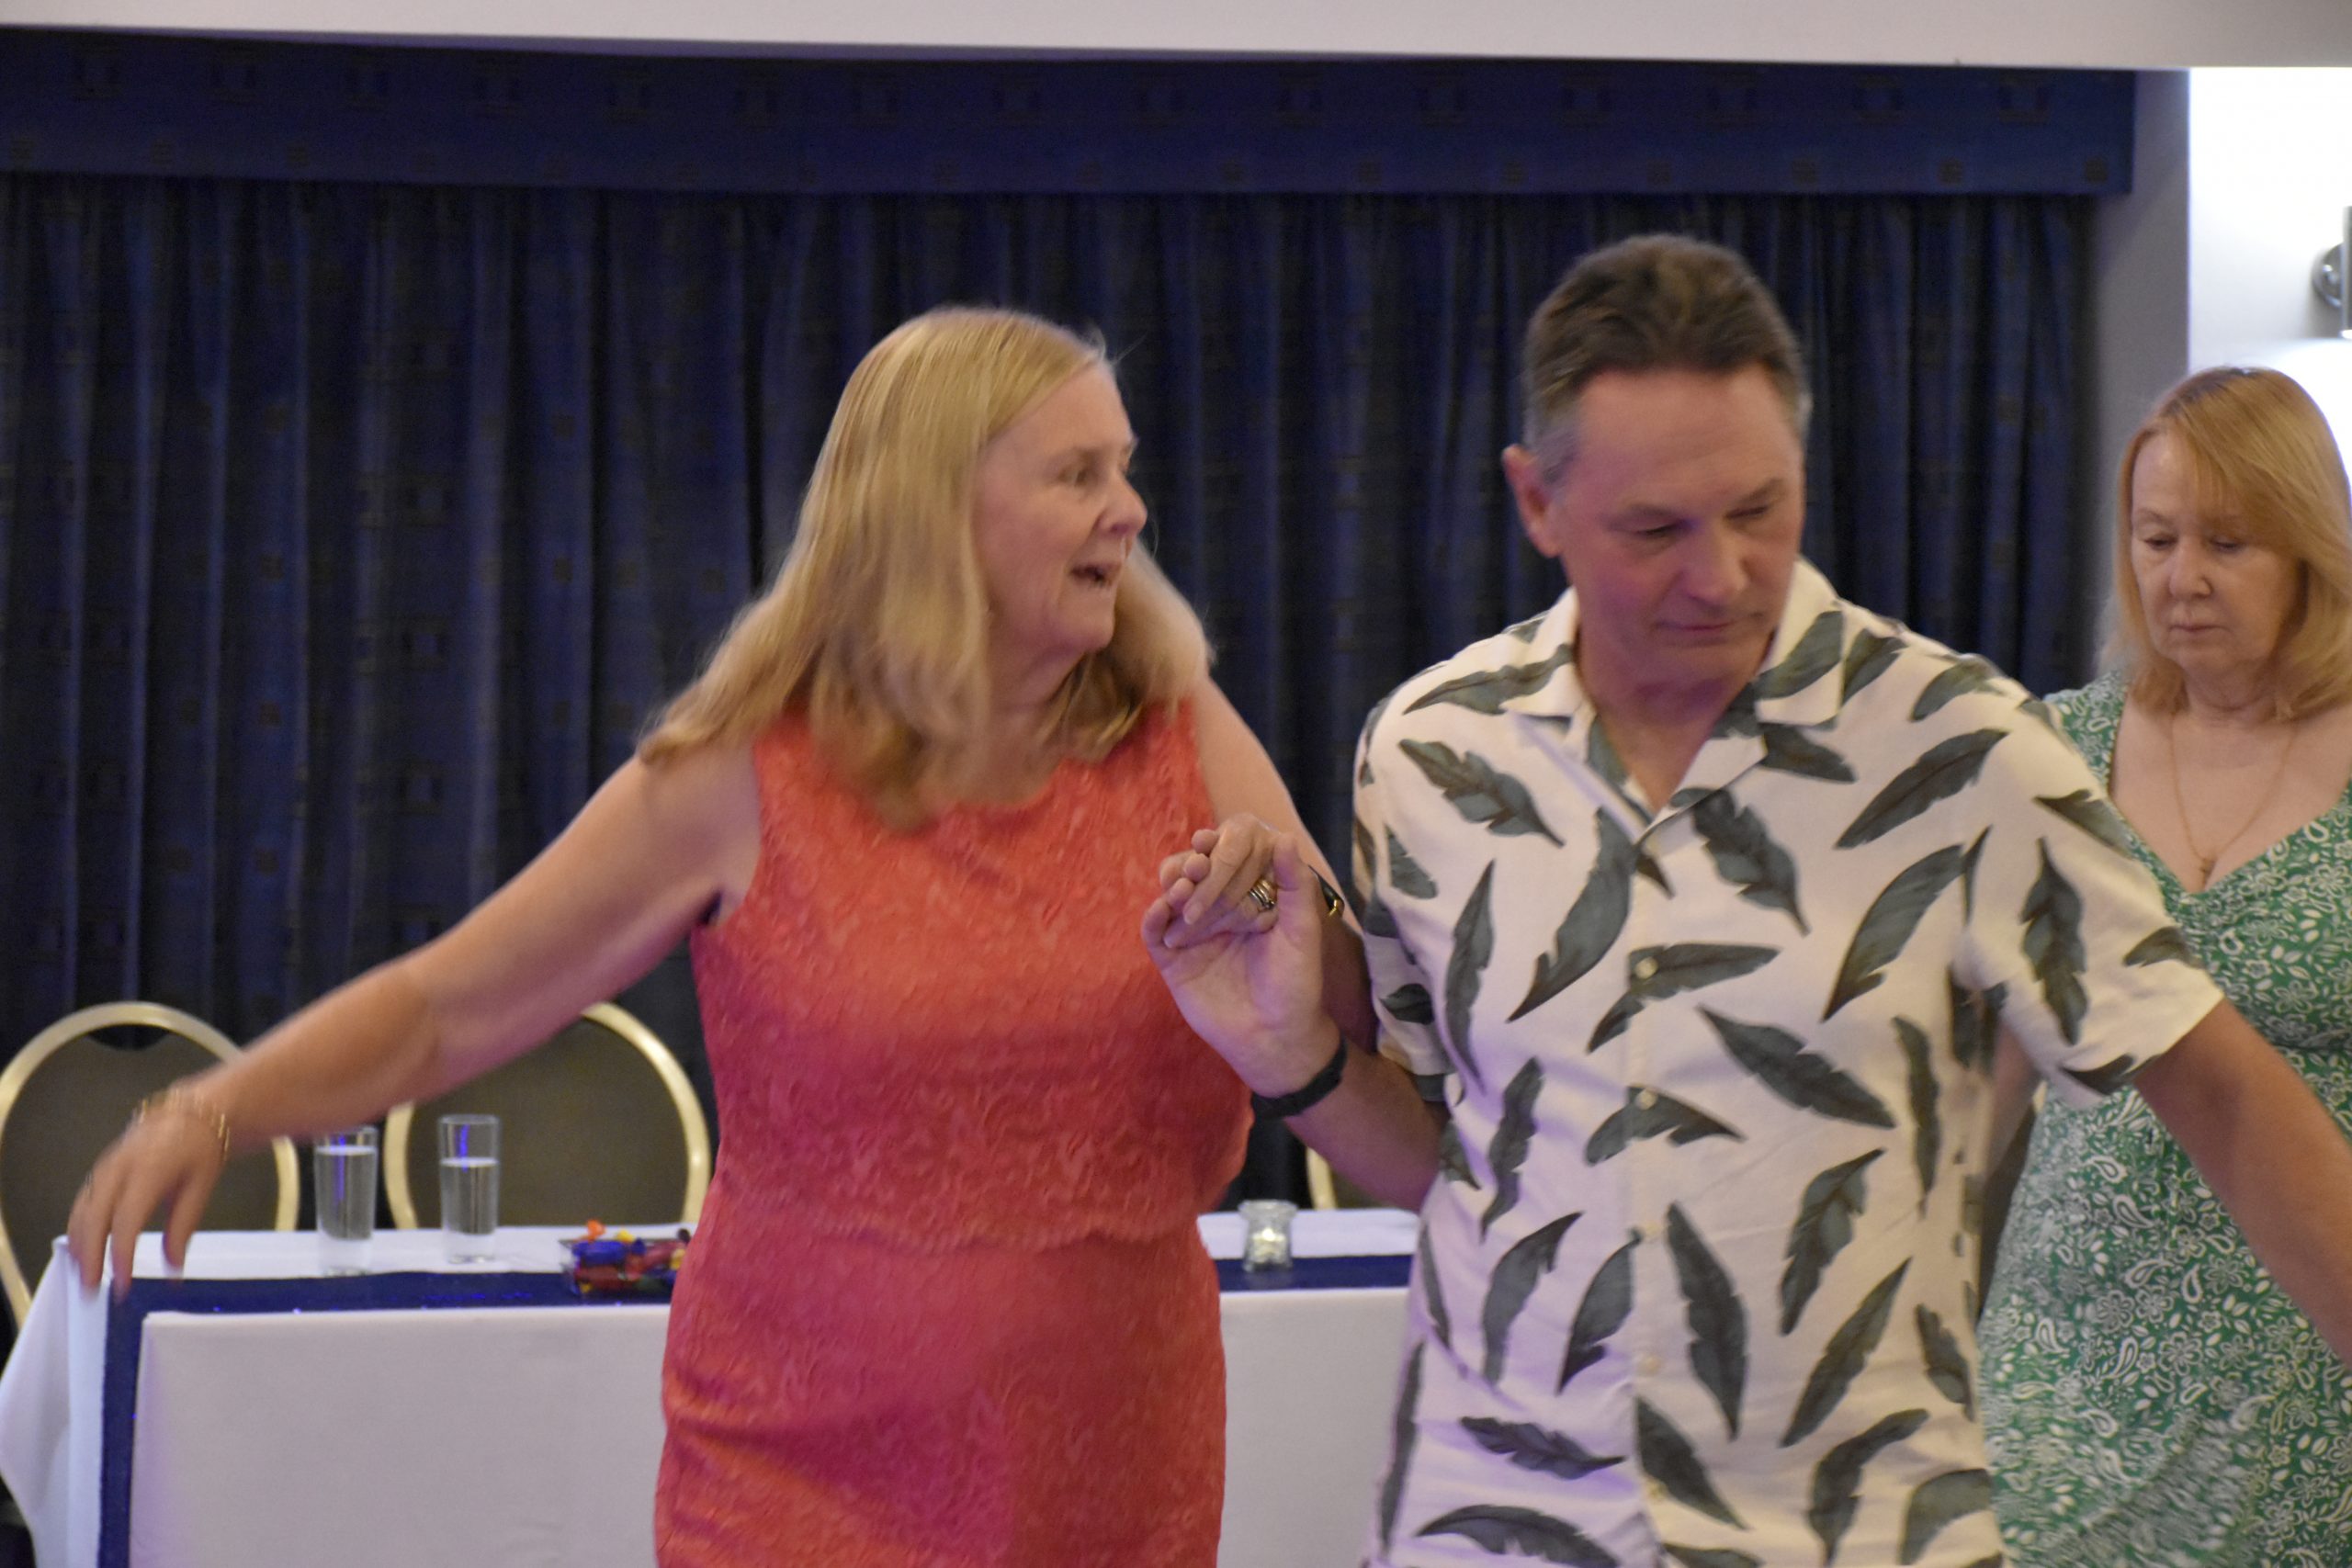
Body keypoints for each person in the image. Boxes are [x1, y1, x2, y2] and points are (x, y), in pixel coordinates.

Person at [65, 305, 1366, 1566]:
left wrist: (1274, 910)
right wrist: (217, 1109)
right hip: (799, 1489)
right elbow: (448, 1008)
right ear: (932, 512)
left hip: (1117, 1481)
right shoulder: (748, 772)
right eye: (1078, 475)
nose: (1128, 511)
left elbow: (1354, 1010)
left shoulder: (1180, 733)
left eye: (1123, 470)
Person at [1142, 236, 2352, 1568]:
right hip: (1506, 1526)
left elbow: (2226, 1095)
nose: (1719, 575)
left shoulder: (1965, 751)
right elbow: (1459, 1165)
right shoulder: (1431, 755)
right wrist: (1292, 1056)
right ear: (1537, 501)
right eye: (1656, 529)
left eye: (1760, 511)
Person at [1976, 367, 2352, 1565]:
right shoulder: (2055, 749)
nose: (2182, 578)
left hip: (2305, 1350)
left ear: (2309, 551)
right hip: (2062, 1345)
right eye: (2156, 538)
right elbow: (1989, 1065)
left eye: (2227, 544)